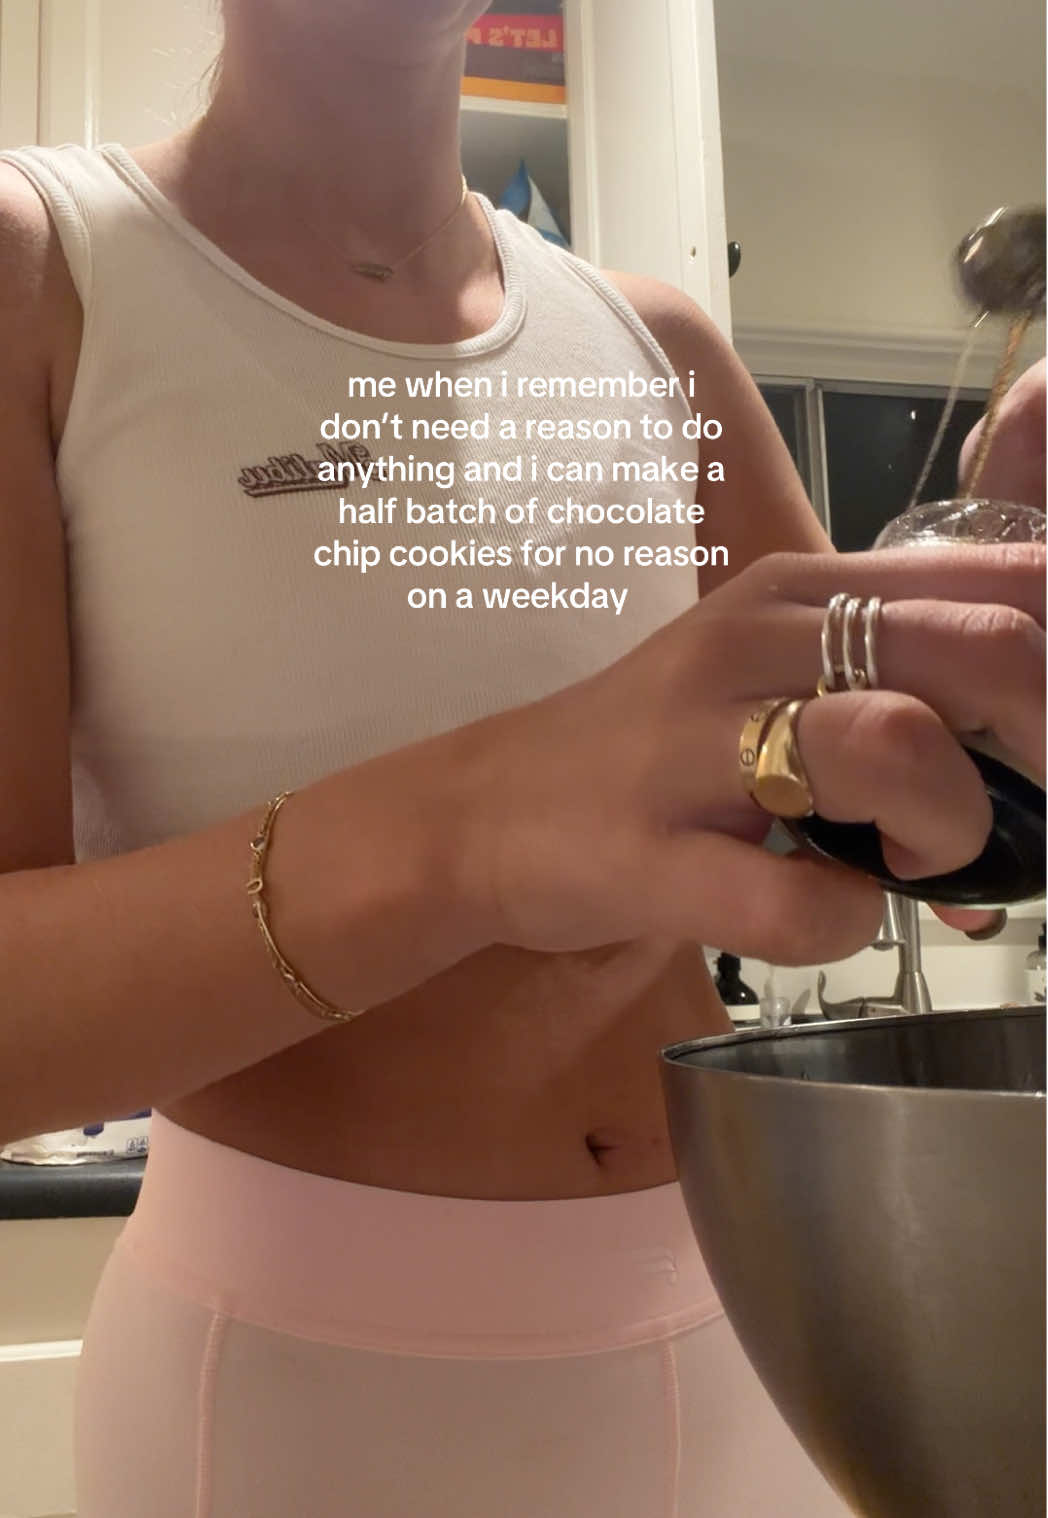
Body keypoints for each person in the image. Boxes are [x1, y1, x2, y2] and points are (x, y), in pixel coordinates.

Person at [0, 2, 1042, 1513]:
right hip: (292, 1393)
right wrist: (481, 831)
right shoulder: (44, 271)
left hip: (756, 1330)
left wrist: (1000, 627)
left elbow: (936, 852)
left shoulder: (660, 349)